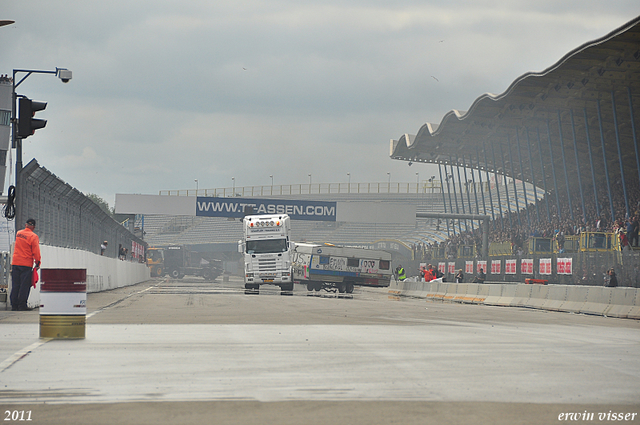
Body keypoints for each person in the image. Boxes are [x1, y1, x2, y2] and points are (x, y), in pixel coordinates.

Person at [10, 218, 41, 311]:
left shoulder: (19, 233)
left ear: (25, 225)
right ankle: (22, 305)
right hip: (26, 264)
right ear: (34, 227)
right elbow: (36, 251)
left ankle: (14, 305)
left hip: (15, 262)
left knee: (15, 285)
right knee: (24, 285)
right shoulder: (33, 236)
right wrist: (38, 262)